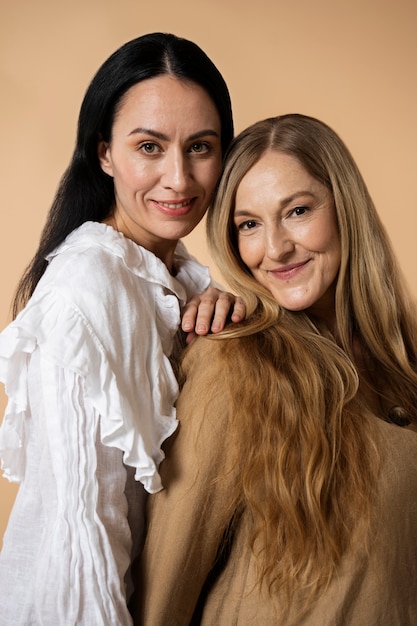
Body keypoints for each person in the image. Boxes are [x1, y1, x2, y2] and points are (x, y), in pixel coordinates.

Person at [0, 32, 244, 625]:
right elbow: (80, 542)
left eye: (202, 147)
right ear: (104, 153)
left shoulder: (183, 282)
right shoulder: (86, 290)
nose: (180, 179)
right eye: (150, 146)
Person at [135, 114, 417, 625]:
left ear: (345, 208)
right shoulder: (231, 364)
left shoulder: (405, 361)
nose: (276, 248)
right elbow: (165, 584)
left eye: (298, 211)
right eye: (249, 225)